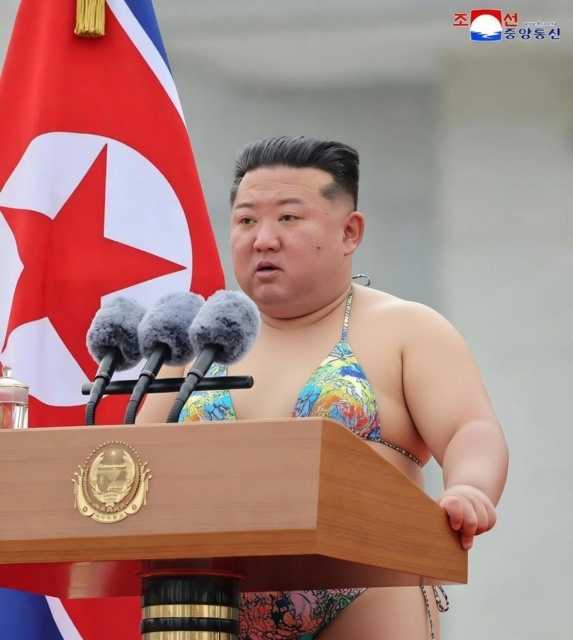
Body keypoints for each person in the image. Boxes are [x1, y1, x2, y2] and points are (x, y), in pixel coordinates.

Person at [137, 136, 509, 640]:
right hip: (205, 600)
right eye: (246, 220)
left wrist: (470, 488)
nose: (263, 239)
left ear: (349, 232)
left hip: (367, 585)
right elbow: (138, 460)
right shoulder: (195, 344)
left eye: (289, 218)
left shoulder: (406, 329)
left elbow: (471, 428)